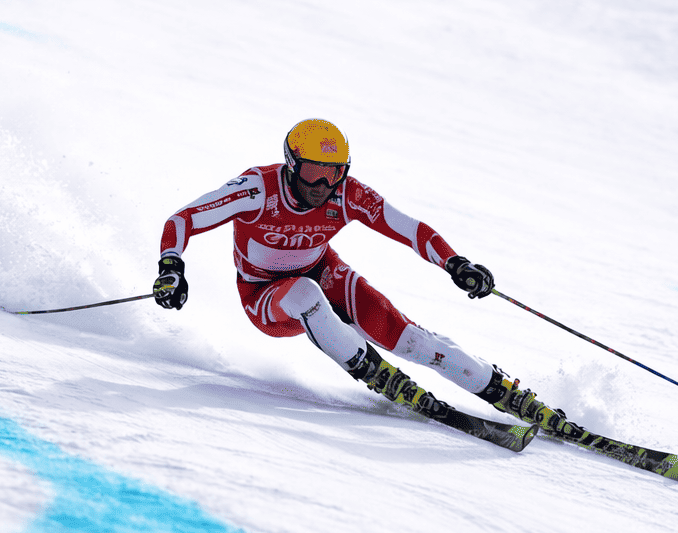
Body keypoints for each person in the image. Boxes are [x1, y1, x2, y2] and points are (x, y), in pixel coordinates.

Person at [153, 117, 559, 444]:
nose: (322, 186)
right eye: (313, 172)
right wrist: (171, 266)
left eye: (334, 174)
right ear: (292, 165)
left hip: (322, 271)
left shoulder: (346, 194)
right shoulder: (258, 189)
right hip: (265, 297)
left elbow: (409, 229)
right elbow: (183, 219)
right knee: (306, 294)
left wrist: (455, 264)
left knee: (414, 340)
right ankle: (373, 370)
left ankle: (501, 389)